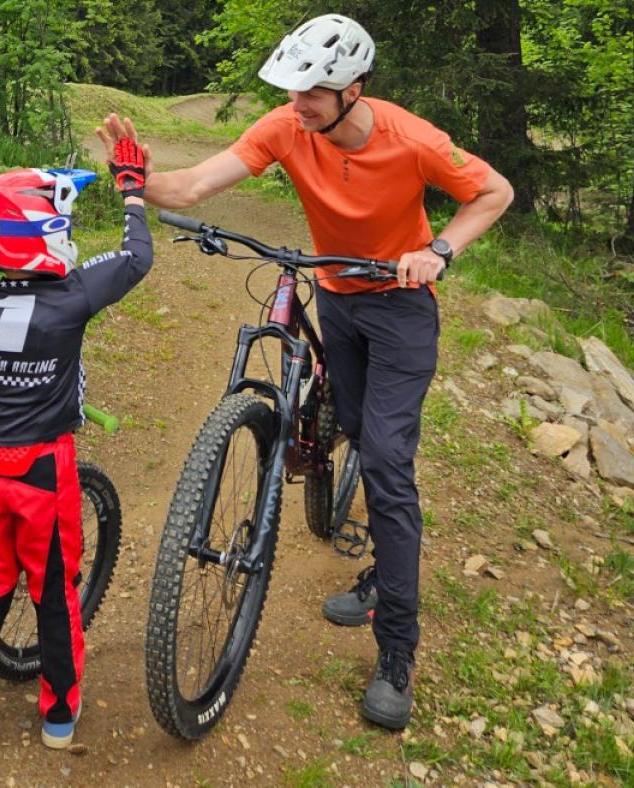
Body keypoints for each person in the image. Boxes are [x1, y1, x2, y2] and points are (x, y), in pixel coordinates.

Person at [96, 14, 513, 730]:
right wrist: (135, 180)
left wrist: (438, 251)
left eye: (312, 92)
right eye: (292, 91)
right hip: (340, 299)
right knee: (349, 422)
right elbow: (194, 187)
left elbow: (494, 192)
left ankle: (396, 646)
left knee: (386, 463)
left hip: (402, 304)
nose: (297, 104)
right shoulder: (288, 127)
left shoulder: (411, 138)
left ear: (354, 89)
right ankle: (333, 439)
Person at [0, 135, 151, 755]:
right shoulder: (73, 296)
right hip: (43, 471)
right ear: (44, 233)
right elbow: (135, 259)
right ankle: (57, 711)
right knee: (54, 589)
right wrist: (131, 191)